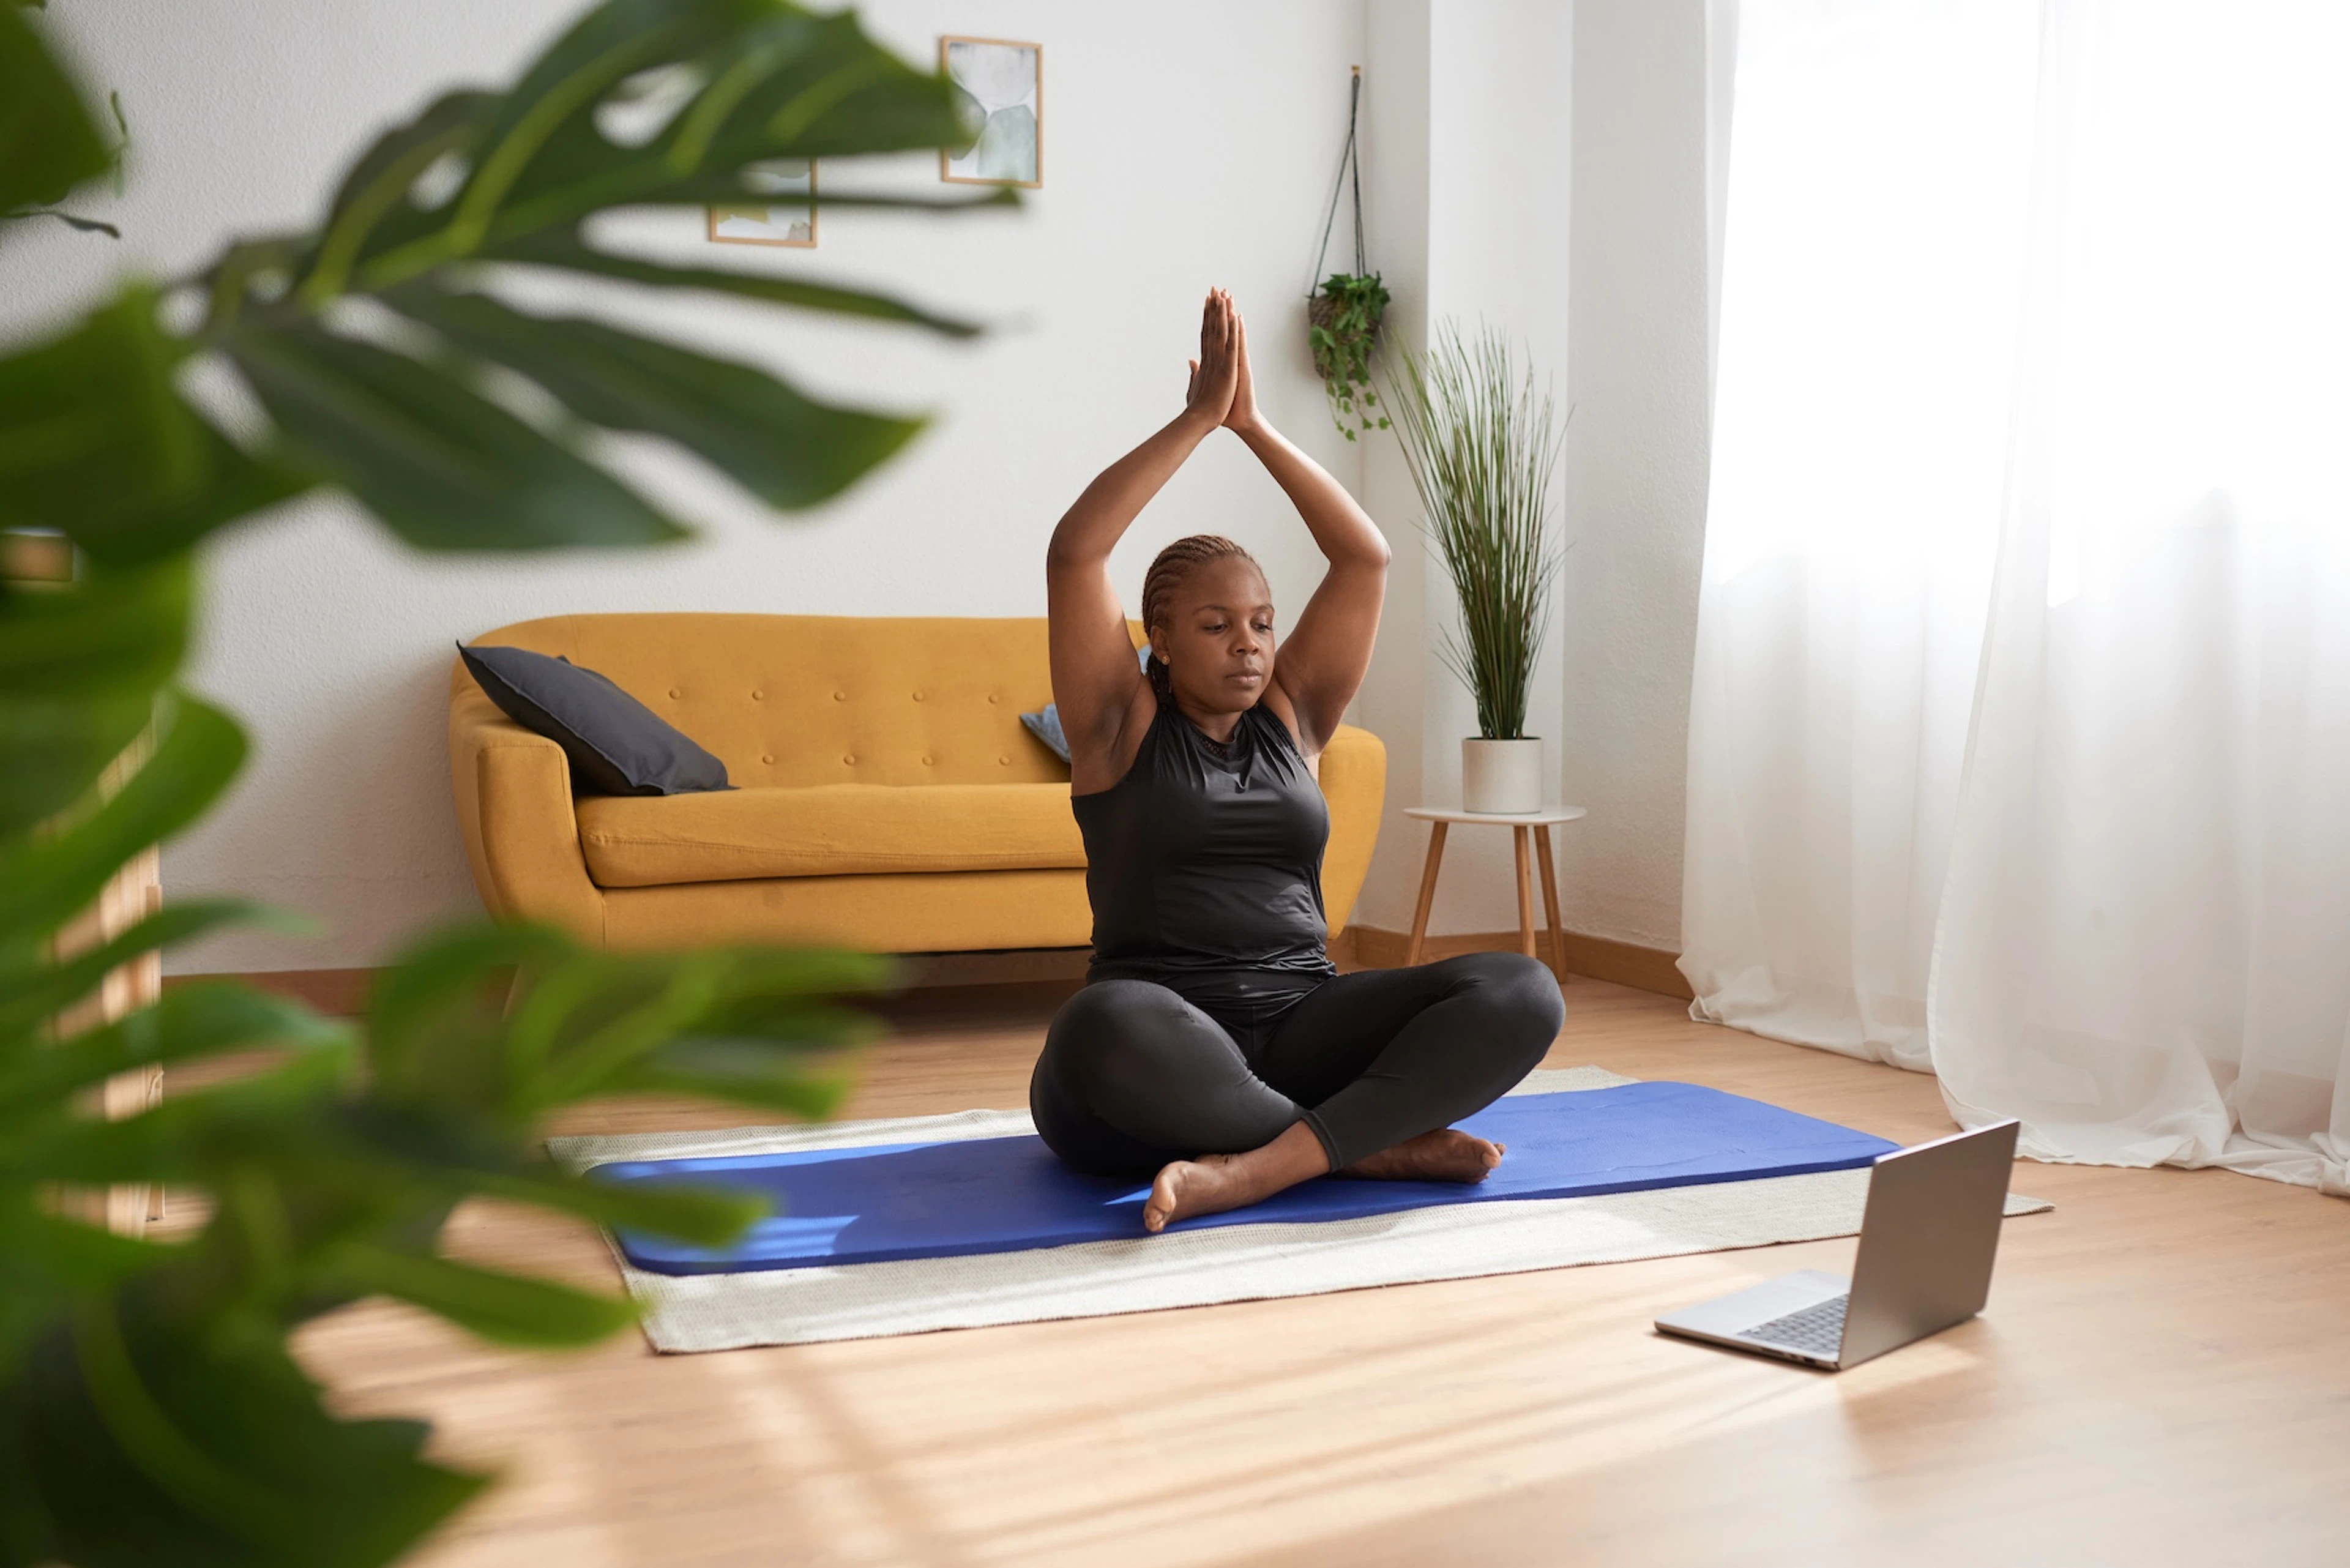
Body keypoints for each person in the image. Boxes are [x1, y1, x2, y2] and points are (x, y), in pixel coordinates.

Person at [1033, 287, 1565, 1233]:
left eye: (1262, 623)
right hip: (1163, 1050)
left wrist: (1255, 426)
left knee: (1523, 990)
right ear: (1158, 635)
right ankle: (1368, 1146)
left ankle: (1255, 1168)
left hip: (1301, 1026)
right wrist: (1197, 423)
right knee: (1096, 1026)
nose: (1249, 643)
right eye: (1217, 625)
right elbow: (1078, 551)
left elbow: (1364, 558)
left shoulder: (1294, 714)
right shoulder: (1119, 722)